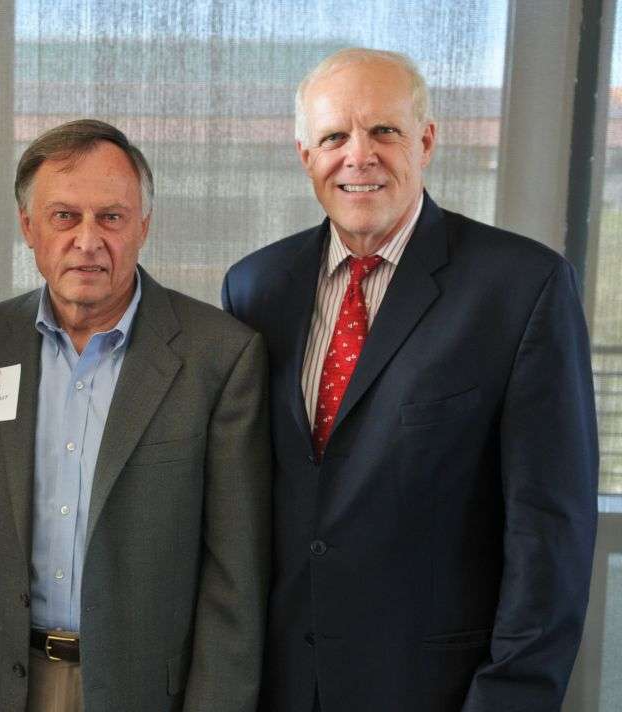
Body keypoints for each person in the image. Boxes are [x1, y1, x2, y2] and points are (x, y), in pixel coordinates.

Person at [223, 48, 599, 712]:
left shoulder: (521, 288)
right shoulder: (256, 288)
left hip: (438, 693)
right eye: (334, 136)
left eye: (384, 131)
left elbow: (549, 529)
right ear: (304, 155)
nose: (358, 156)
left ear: (425, 141)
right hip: (278, 687)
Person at [0, 119, 269, 711]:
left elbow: (235, 580)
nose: (87, 239)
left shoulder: (220, 357)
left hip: (145, 692)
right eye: (64, 216)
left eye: (112, 217)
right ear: (28, 225)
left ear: (143, 226)